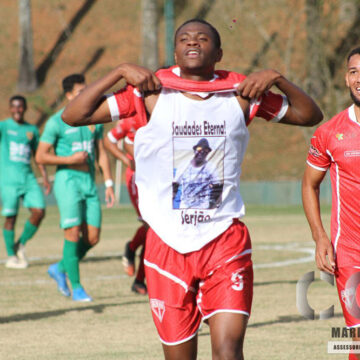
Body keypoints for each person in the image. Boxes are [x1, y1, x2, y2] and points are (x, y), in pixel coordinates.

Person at [61, 19, 322, 360]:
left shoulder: (242, 96)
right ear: (175, 52)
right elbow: (73, 115)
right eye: (184, 38)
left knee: (228, 351)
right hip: (167, 244)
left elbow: (309, 115)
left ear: (219, 52)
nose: (193, 42)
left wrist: (277, 78)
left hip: (223, 239)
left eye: (202, 38)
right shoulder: (151, 93)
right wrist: (119, 71)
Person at [35, 74, 115, 302]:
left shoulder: (94, 119)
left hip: (89, 183)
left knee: (92, 237)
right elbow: (41, 156)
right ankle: (77, 287)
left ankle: (59, 267)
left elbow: (101, 153)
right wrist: (70, 160)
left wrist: (108, 183)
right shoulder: (55, 121)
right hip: (67, 182)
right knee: (72, 233)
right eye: (81, 92)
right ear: (69, 95)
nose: (86, 95)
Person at [302, 47, 360, 360]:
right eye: (353, 72)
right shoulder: (330, 133)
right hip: (351, 252)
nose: (359, 78)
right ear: (346, 78)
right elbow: (310, 185)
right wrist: (320, 236)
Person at [0, 95, 50, 269]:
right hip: (8, 180)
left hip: (28, 178)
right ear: (9, 108)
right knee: (10, 217)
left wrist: (44, 177)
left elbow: (38, 156)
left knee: (39, 211)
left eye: (20, 107)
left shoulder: (32, 130)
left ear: (25, 108)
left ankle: (19, 244)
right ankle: (11, 256)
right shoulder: (4, 126)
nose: (17, 110)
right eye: (14, 107)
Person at [104, 118, 148, 295]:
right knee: (151, 227)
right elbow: (109, 140)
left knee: (157, 231)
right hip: (137, 178)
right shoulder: (131, 118)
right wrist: (127, 160)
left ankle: (139, 278)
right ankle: (137, 275)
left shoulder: (163, 109)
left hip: (158, 176)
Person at [172, 137, 222, 209]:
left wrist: (213, 207)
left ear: (208, 153)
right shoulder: (184, 165)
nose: (202, 151)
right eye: (199, 149)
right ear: (195, 150)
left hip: (204, 209)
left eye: (205, 150)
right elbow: (175, 187)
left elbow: (218, 189)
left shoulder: (211, 167)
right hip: (184, 208)